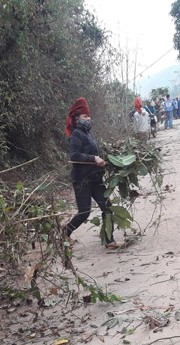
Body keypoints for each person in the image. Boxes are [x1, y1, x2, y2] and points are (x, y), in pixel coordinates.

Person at [64, 97, 118, 249]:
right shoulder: (76, 135)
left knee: (107, 207)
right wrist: (94, 158)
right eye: (85, 116)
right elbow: (74, 156)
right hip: (82, 180)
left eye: (89, 116)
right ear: (77, 118)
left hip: (95, 178)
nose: (88, 119)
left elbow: (95, 152)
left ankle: (109, 241)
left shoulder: (88, 134)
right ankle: (65, 233)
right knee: (84, 212)